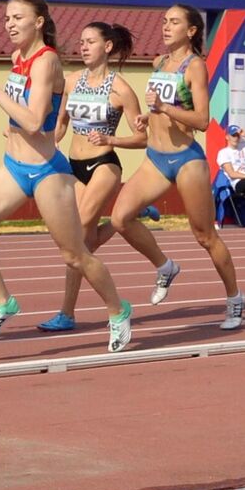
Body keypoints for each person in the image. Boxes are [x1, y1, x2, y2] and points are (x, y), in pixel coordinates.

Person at [0, 0, 132, 350]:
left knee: (75, 255)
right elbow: (32, 111)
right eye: (6, 18)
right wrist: (15, 123)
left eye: (17, 17)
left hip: (47, 171)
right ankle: (3, 302)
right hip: (14, 167)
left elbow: (35, 121)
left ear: (38, 22)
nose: (9, 24)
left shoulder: (46, 60)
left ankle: (118, 310)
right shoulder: (17, 57)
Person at [110, 4, 245, 331]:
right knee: (120, 218)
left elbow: (201, 120)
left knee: (204, 236)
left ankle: (235, 298)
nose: (166, 27)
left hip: (186, 159)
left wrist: (164, 108)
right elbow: (158, 109)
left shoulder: (195, 66)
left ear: (191, 31)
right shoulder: (158, 63)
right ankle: (165, 265)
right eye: (164, 21)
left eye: (174, 22)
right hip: (155, 159)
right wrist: (149, 115)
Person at [37, 22, 179, 333]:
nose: (83, 46)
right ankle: (68, 313)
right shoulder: (71, 81)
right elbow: (60, 123)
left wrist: (111, 140)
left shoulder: (121, 90)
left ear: (108, 47)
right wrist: (45, 141)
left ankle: (68, 312)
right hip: (72, 167)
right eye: (81, 41)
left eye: (90, 41)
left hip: (105, 165)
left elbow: (143, 139)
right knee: (82, 245)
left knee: (75, 236)